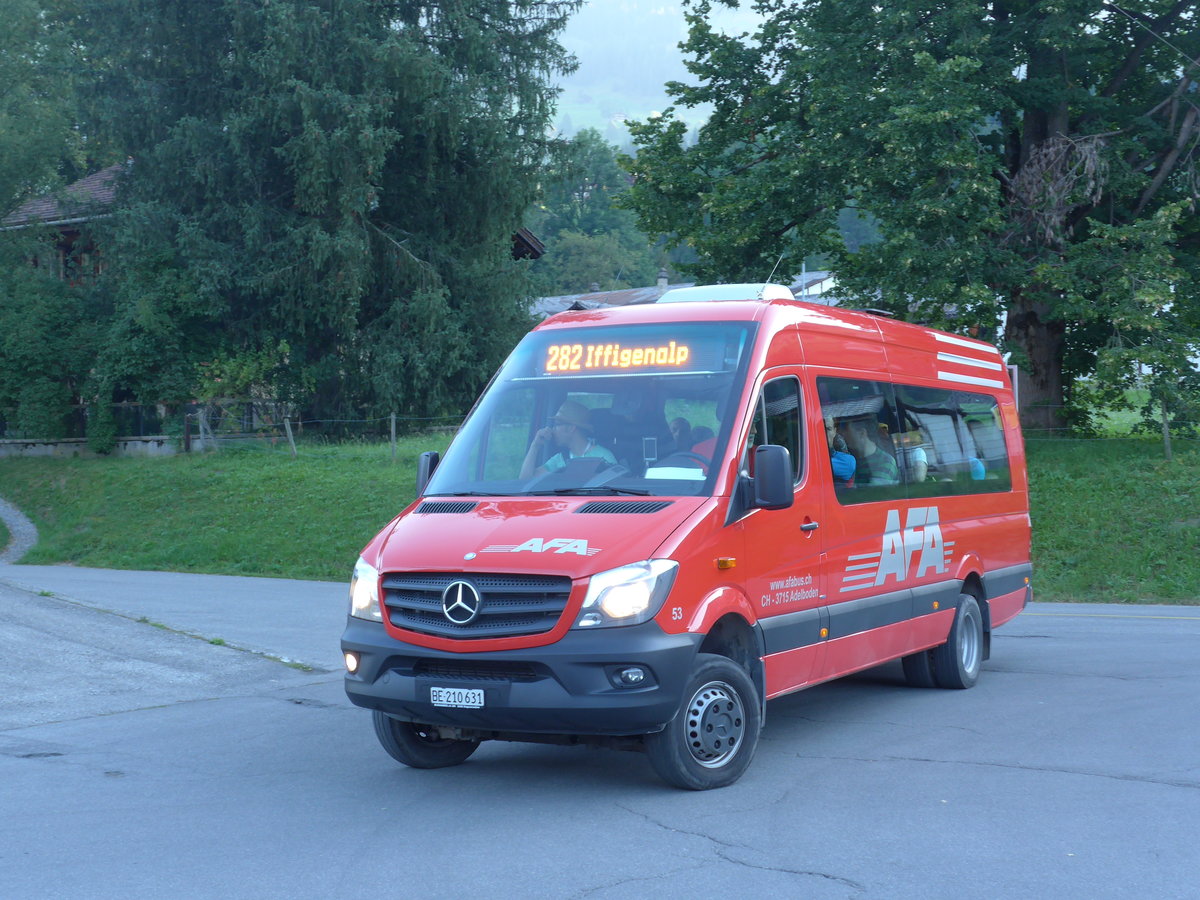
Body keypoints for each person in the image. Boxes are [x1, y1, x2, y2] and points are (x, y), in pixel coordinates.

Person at [520, 400, 616, 479]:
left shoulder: (603, 456)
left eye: (556, 425)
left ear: (571, 428)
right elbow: (525, 479)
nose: (552, 430)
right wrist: (535, 445)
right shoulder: (559, 459)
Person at [839, 417, 900, 485]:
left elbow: (873, 493)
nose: (842, 433)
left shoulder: (885, 462)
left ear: (862, 433)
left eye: (846, 429)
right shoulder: (855, 459)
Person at [824, 417, 856, 484]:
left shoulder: (846, 461)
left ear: (835, 431)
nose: (823, 433)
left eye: (828, 429)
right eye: (819, 429)